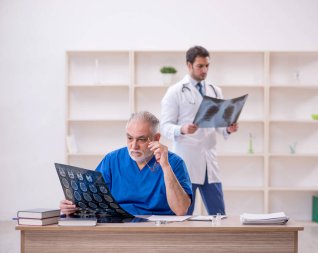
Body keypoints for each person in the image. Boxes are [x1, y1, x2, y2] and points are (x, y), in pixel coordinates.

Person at [60, 111, 192, 216]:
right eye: (129, 138)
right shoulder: (112, 160)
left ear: (156, 138)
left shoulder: (174, 163)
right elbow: (91, 198)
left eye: (141, 139)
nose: (134, 146)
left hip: (158, 228)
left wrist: (165, 166)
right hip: (120, 225)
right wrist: (71, 206)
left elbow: (181, 210)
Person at [160, 46, 238, 215]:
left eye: (207, 66)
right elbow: (164, 126)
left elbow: (219, 125)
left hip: (210, 161)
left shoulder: (215, 90)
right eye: (200, 66)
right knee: (184, 215)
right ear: (189, 65)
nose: (205, 70)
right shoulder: (175, 91)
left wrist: (229, 128)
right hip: (186, 161)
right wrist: (182, 128)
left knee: (219, 214)